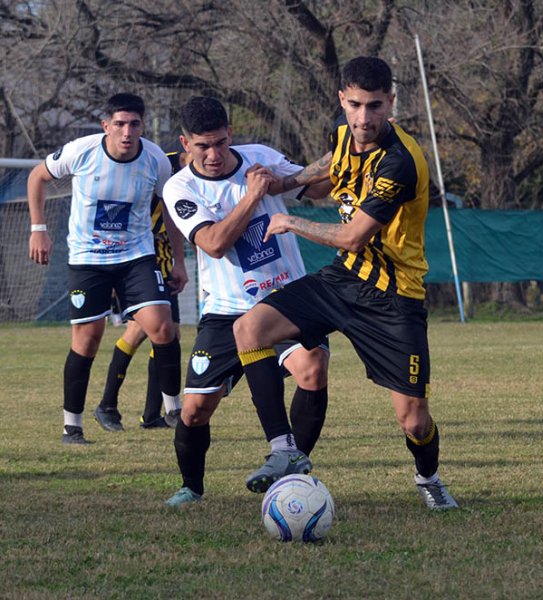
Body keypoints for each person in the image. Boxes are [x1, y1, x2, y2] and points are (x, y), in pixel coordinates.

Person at [233, 56, 459, 510]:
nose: (363, 118)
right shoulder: (344, 135)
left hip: (394, 298)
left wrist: (290, 220)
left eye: (374, 106)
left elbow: (354, 237)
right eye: (354, 105)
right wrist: (285, 181)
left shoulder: (400, 161)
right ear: (342, 99)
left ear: (391, 103)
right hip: (343, 279)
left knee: (413, 421)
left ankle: (428, 478)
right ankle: (285, 452)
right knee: (249, 329)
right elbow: (328, 166)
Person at [161, 96, 329, 506]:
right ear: (186, 144)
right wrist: (252, 197)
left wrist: (348, 155)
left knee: (312, 367)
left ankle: (291, 466)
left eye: (220, 142)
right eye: (203, 146)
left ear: (230, 134)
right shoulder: (179, 187)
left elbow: (315, 187)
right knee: (196, 410)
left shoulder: (260, 157)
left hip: (286, 298)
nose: (214, 154)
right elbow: (214, 244)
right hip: (224, 309)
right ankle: (192, 487)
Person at [27, 93, 183, 445]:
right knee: (88, 340)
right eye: (120, 124)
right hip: (88, 261)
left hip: (136, 257)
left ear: (142, 126)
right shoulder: (81, 150)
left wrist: (176, 260)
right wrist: (39, 230)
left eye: (134, 124)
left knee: (162, 326)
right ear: (106, 125)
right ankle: (72, 426)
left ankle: (175, 411)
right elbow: (37, 177)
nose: (127, 132)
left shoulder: (155, 159)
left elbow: (171, 210)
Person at [95, 151, 189, 431]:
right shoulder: (159, 163)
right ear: (187, 145)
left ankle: (151, 414)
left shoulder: (203, 169)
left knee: (167, 333)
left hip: (163, 251)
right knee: (143, 330)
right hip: (139, 253)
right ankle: (107, 405)